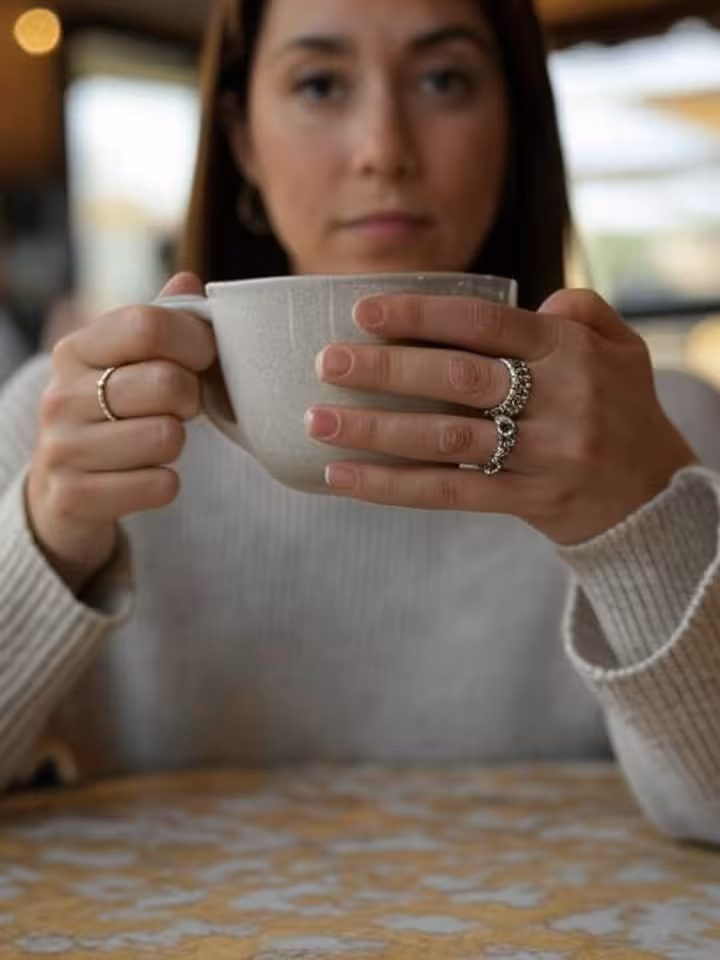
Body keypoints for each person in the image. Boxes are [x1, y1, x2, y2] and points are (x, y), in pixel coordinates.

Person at [0, 0, 719, 844]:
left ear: (514, 124)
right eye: (319, 84)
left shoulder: (656, 428)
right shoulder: (77, 428)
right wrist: (47, 544)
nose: (384, 150)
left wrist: (643, 527)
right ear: (241, 142)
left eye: (444, 79)